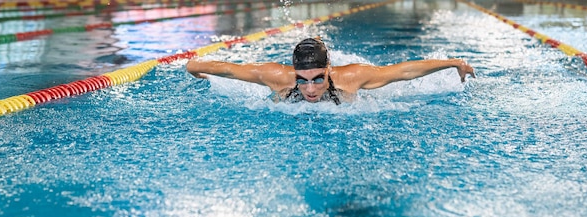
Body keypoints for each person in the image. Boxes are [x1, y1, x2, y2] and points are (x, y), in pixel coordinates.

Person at [186, 37, 475, 104]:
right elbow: (230, 70)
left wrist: (453, 63)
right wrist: (195, 67)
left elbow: (401, 72)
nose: (310, 89)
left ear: (328, 69)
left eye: (318, 79)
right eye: (302, 81)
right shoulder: (277, 77)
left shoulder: (352, 77)